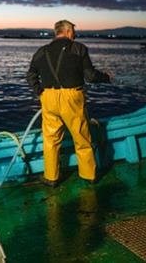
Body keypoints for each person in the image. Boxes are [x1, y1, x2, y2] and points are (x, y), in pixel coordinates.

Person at [26, 20, 112, 187]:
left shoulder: (41, 51)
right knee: (81, 138)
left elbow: (30, 75)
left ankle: (51, 177)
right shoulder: (78, 48)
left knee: (50, 140)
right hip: (71, 97)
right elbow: (90, 76)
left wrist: (40, 92)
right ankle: (88, 175)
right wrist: (107, 77)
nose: (75, 34)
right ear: (65, 31)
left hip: (48, 97)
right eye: (72, 30)